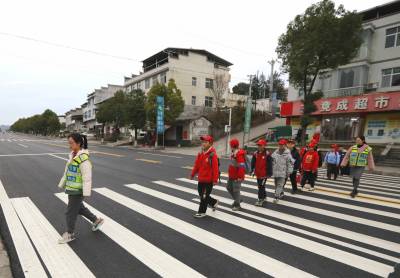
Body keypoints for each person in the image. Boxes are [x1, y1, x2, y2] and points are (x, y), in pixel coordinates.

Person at [57, 133, 104, 244]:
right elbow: (67, 172)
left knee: (70, 213)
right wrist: (62, 184)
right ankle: (96, 220)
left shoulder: (83, 159)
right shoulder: (73, 155)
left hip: (78, 190)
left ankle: (70, 234)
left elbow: (87, 177)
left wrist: (86, 192)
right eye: (69, 143)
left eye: (71, 143)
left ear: (78, 143)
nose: (70, 145)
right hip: (71, 188)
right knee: (79, 208)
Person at [190, 135, 219, 218]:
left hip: (209, 180)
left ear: (210, 143)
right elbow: (197, 165)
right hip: (201, 179)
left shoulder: (212, 155)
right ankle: (214, 202)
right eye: (203, 142)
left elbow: (215, 168)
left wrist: (215, 180)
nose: (203, 144)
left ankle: (202, 212)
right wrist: (193, 174)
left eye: (206, 142)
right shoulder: (201, 153)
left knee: (204, 196)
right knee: (201, 194)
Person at [251, 139, 272, 206]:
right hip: (258, 173)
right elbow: (253, 163)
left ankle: (260, 200)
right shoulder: (255, 153)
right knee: (261, 186)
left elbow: (270, 165)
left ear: (264, 146)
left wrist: (269, 173)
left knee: (261, 186)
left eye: (260, 145)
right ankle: (264, 196)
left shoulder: (267, 154)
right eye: (258, 145)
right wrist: (252, 170)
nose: (259, 146)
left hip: (264, 174)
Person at [271, 139, 293, 203]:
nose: (280, 146)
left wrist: (289, 171)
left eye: (282, 145)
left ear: (285, 145)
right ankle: (281, 192)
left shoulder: (288, 154)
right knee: (276, 185)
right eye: (279, 144)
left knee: (280, 185)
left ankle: (276, 197)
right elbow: (272, 160)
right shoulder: (275, 152)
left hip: (283, 172)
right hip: (275, 171)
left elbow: (290, 163)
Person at [227, 138, 246, 211]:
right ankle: (238, 199)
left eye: (230, 145)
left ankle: (237, 205)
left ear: (232, 145)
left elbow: (241, 166)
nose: (230, 146)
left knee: (236, 190)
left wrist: (240, 177)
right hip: (232, 175)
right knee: (229, 187)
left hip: (237, 176)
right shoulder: (234, 152)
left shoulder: (239, 154)